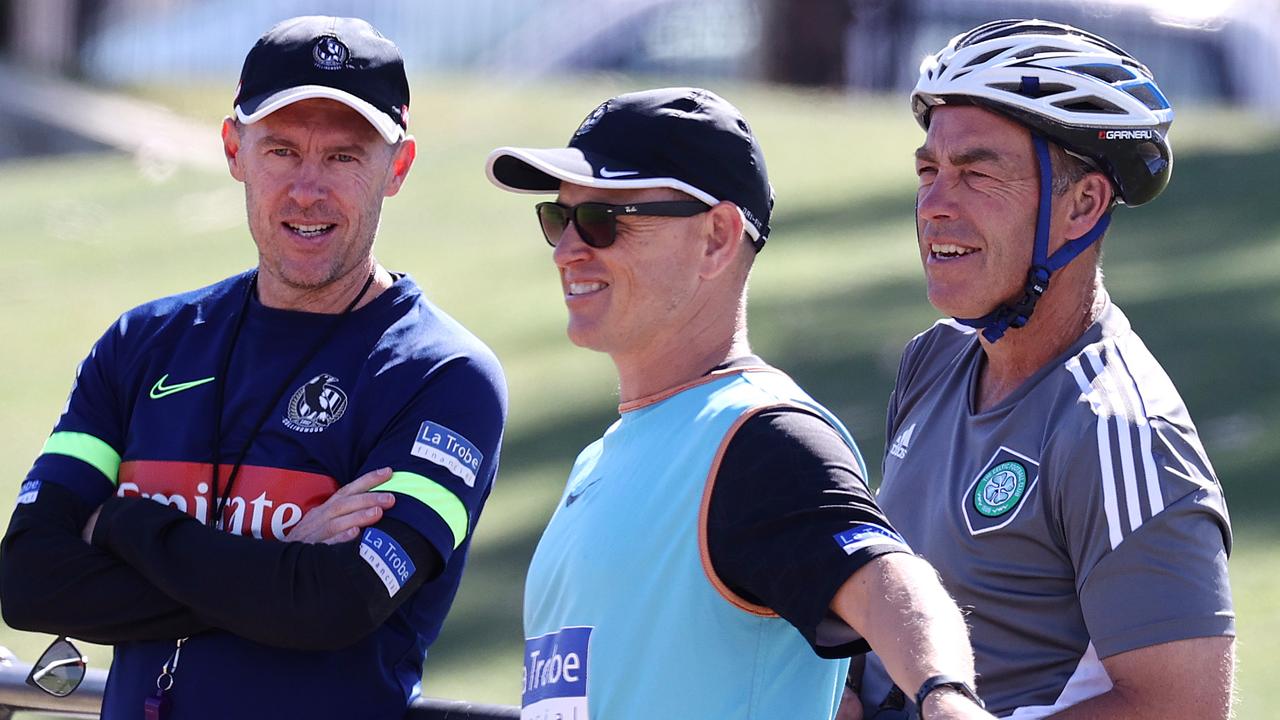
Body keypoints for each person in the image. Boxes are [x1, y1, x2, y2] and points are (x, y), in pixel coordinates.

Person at [0, 16, 506, 719]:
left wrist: (123, 528)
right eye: (281, 150)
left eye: (343, 157)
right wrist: (281, 564)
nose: (307, 189)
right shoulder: (141, 343)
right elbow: (31, 581)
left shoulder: (443, 376)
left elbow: (333, 603)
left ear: (397, 167)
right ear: (234, 150)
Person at [486, 87, 994, 720]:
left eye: (602, 221)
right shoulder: (601, 457)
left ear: (717, 238)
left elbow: (890, 581)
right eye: (559, 219)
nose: (567, 250)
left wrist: (946, 699)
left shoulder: (762, 436)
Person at [848, 19, 1235, 720]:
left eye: (976, 173)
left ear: (1082, 205)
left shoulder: (1120, 430)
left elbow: (1183, 709)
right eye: (929, 171)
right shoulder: (934, 361)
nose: (934, 206)